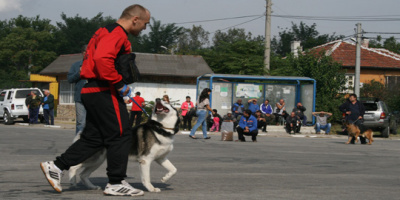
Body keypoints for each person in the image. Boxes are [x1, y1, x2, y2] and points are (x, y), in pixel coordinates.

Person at [40, 4, 150, 197]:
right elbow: (102, 60)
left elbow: (94, 59)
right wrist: (119, 84)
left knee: (95, 138)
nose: (145, 28)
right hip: (103, 90)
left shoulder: (103, 31)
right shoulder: (117, 34)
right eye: (145, 24)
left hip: (92, 89)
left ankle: (56, 166)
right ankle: (116, 182)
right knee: (121, 134)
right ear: (135, 19)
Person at [67, 45, 87, 135]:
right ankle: (78, 143)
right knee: (81, 123)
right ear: (82, 53)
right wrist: (79, 73)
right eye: (86, 52)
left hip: (93, 98)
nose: (88, 54)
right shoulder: (76, 65)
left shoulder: (96, 64)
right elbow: (70, 79)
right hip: (80, 98)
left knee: (92, 123)